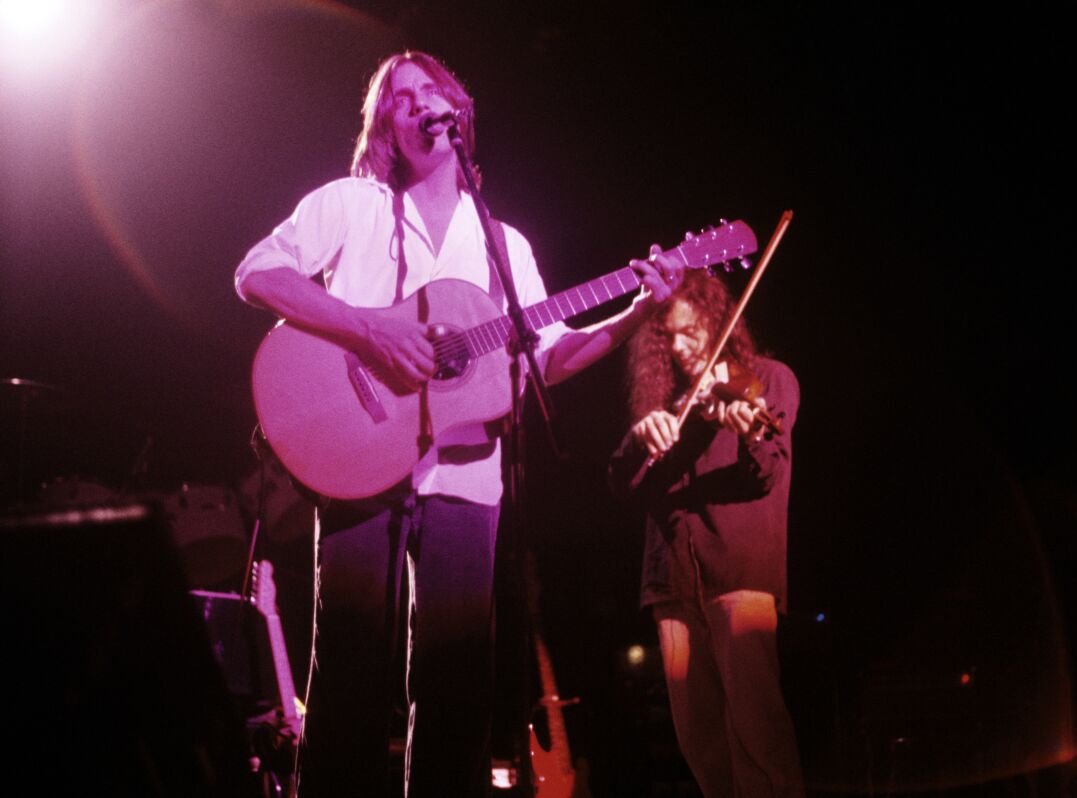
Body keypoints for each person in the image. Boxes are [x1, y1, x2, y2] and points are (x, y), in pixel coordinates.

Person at [234, 51, 679, 798]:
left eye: (429, 92)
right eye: (399, 98)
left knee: (456, 687)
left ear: (457, 111)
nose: (417, 105)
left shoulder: (504, 245)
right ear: (385, 125)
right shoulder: (352, 205)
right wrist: (371, 332)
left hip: (468, 479)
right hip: (356, 457)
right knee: (347, 672)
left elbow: (547, 355)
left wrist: (634, 313)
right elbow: (256, 274)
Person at [608, 271, 805, 797]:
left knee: (758, 731)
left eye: (690, 332)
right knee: (699, 739)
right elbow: (621, 486)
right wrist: (637, 439)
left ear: (717, 325)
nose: (679, 347)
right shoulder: (668, 401)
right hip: (672, 581)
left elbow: (768, 474)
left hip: (739, 572)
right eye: (668, 336)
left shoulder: (767, 378)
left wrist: (748, 432)